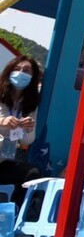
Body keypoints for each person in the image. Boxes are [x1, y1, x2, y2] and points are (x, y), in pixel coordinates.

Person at [0, 55, 42, 209]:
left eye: (27, 70)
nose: (21, 73)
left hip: (4, 160)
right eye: (17, 69)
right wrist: (2, 121)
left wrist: (28, 129)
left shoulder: (30, 103)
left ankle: (14, 215)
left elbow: (26, 141)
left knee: (32, 173)